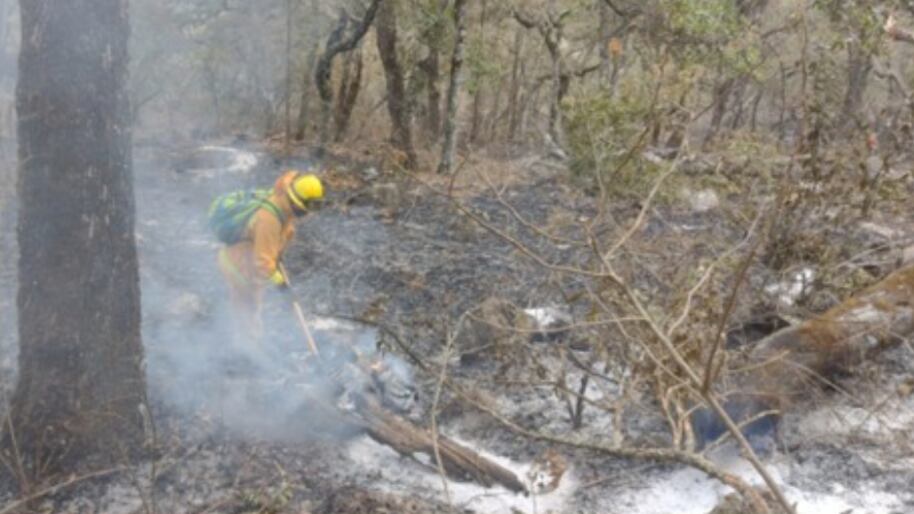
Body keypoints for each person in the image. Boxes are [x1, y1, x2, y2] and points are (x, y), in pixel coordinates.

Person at [217, 170, 324, 343]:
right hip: (239, 263)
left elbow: (275, 242)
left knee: (252, 305)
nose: (305, 213)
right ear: (294, 200)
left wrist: (277, 255)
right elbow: (263, 261)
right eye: (304, 208)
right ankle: (246, 349)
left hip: (250, 256)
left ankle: (252, 341)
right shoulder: (269, 219)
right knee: (246, 304)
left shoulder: (284, 205)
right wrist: (282, 285)